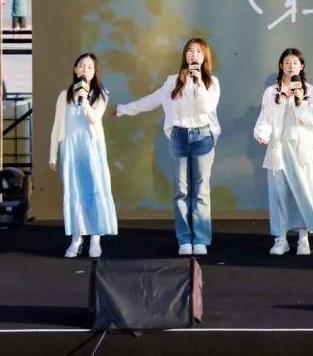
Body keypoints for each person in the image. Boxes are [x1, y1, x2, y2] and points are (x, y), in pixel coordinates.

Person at [115, 38, 221, 256]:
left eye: (198, 51)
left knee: (201, 190)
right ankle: (184, 239)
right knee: (181, 190)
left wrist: (198, 83)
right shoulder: (173, 81)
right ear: (185, 55)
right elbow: (152, 100)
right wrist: (124, 109)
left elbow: (207, 107)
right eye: (190, 50)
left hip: (202, 137)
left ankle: (200, 239)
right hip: (179, 136)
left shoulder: (212, 83)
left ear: (204, 57)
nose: (193, 54)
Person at [253, 48, 313, 256]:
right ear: (281, 65)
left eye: (295, 62)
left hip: (300, 150)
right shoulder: (272, 92)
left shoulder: (310, 91)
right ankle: (281, 239)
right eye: (287, 62)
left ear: (301, 66)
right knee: (279, 195)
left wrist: (299, 99)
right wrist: (262, 133)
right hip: (279, 149)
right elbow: (265, 117)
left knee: (303, 193)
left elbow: (310, 119)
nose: (291, 66)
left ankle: (303, 238)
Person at [49, 53, 118, 258]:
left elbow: (94, 119)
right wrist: (53, 155)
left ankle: (95, 238)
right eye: (81, 66)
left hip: (92, 148)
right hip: (70, 149)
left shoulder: (101, 94)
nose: (84, 70)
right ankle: (77, 238)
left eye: (89, 67)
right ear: (75, 69)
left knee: (95, 190)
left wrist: (84, 99)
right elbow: (57, 125)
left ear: (95, 72)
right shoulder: (64, 95)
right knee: (74, 192)